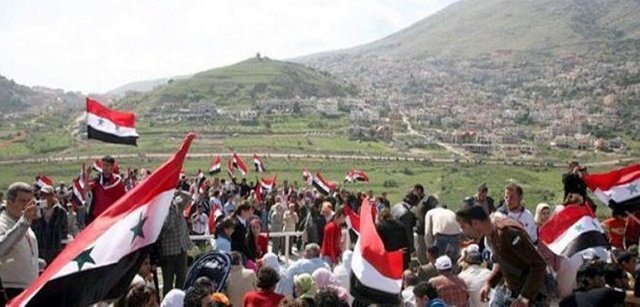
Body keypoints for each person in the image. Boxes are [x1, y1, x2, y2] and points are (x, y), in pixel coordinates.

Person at [456, 205, 547, 306]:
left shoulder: (507, 232)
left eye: (464, 227)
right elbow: (504, 260)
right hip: (510, 291)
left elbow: (539, 264)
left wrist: (523, 298)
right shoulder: (490, 232)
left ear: (475, 223)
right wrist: (489, 283)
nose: (464, 232)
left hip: (530, 295)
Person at [0, 182, 39, 302]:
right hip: (11, 290)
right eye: (22, 201)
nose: (27, 205)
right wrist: (23, 222)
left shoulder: (23, 222)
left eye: (30, 201)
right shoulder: (3, 223)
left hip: (28, 289)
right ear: (9, 201)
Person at [158, 191, 192, 296]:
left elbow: (188, 197)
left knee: (181, 280)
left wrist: (178, 191)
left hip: (181, 249)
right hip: (169, 251)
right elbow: (168, 226)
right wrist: (169, 209)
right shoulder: (162, 207)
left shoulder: (177, 204)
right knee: (168, 283)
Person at [31, 185, 68, 264]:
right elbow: (32, 228)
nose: (43, 197)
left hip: (55, 247)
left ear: (52, 196)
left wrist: (62, 248)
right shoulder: (37, 210)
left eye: (46, 195)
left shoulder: (61, 211)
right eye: (42, 195)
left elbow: (64, 230)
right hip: (40, 247)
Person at [85, 155, 126, 223]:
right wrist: (87, 175)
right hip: (99, 218)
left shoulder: (117, 182)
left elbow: (122, 199)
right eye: (103, 165)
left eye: (107, 165)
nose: (105, 168)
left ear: (112, 167)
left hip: (112, 218)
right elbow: (86, 189)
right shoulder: (98, 180)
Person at [424, 204, 461, 273]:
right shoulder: (450, 212)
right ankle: (454, 278)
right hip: (456, 235)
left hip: (441, 235)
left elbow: (427, 232)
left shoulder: (430, 212)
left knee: (440, 261)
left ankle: (441, 279)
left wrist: (429, 248)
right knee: (453, 261)